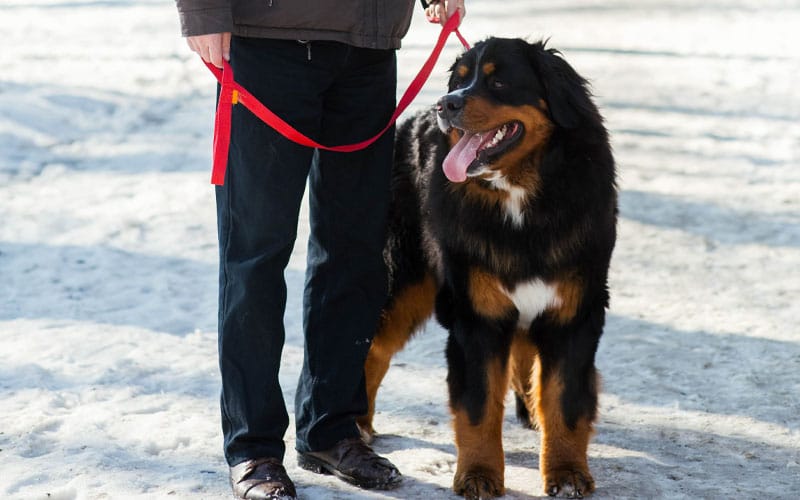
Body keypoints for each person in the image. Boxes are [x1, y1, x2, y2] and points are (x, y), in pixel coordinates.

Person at [175, 0, 465, 498]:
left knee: (356, 246)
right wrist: (203, 11)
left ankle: (331, 429)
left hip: (369, 45)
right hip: (268, 41)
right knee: (255, 253)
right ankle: (253, 447)